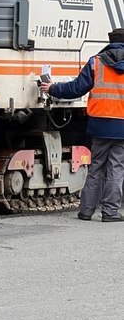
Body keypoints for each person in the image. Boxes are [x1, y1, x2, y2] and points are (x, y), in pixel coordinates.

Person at [40, 28, 124, 222]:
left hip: (99, 125)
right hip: (122, 127)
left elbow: (76, 88)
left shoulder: (96, 62)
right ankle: (110, 212)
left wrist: (53, 88)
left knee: (96, 168)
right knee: (116, 169)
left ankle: (86, 211)